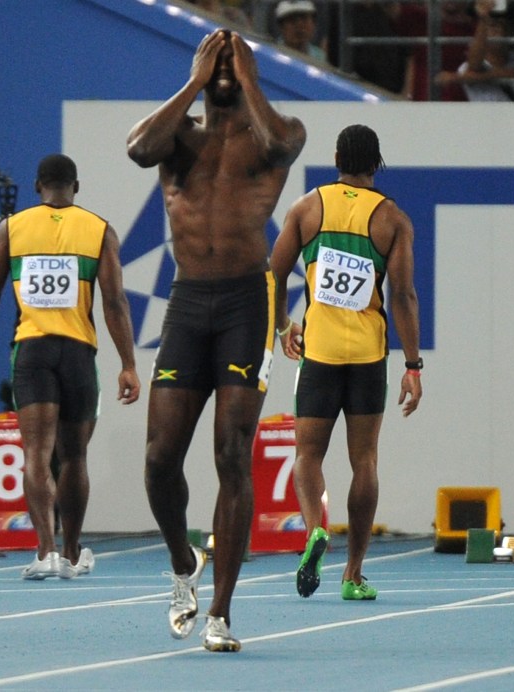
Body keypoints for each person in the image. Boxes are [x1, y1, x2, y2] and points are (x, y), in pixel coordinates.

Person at [126, 29, 306, 652]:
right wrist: (196, 82)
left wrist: (247, 75)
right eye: (216, 58)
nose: (226, 67)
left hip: (246, 302)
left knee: (231, 452)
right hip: (187, 301)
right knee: (158, 461)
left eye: (235, 59)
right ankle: (182, 564)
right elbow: (136, 149)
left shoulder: (273, 132)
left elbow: (285, 144)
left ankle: (221, 615)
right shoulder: (180, 134)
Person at [0, 154, 140, 581]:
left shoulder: (13, 227)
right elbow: (115, 302)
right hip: (78, 353)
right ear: (75, 187)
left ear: (38, 185)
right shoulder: (99, 229)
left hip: (33, 351)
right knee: (75, 456)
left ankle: (45, 553)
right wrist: (128, 364)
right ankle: (73, 552)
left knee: (36, 454)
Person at [269, 124, 421, 602]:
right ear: (377, 164)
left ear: (336, 158)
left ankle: (316, 528)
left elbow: (273, 272)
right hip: (368, 356)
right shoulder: (392, 219)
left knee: (308, 454)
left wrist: (281, 327)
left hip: (320, 352)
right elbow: (404, 296)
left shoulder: (307, 207)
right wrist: (414, 366)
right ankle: (353, 574)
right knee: (365, 460)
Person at [437, 0, 514, 101]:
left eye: (503, 25)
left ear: (512, 31)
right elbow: (474, 65)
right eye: (492, 25)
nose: (498, 30)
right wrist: (483, 17)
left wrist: (460, 78)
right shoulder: (465, 68)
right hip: (482, 117)